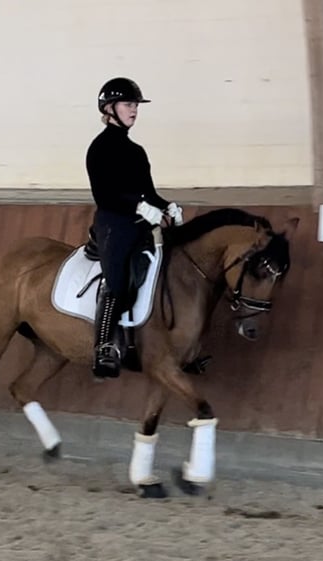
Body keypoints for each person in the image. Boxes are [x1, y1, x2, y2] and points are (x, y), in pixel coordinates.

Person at [85, 77, 184, 378]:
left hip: (140, 225)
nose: (134, 111)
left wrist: (167, 206)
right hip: (114, 225)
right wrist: (139, 208)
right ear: (110, 108)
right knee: (117, 283)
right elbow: (105, 195)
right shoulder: (100, 149)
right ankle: (104, 346)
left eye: (136, 106)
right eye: (129, 105)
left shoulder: (136, 151)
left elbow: (148, 191)